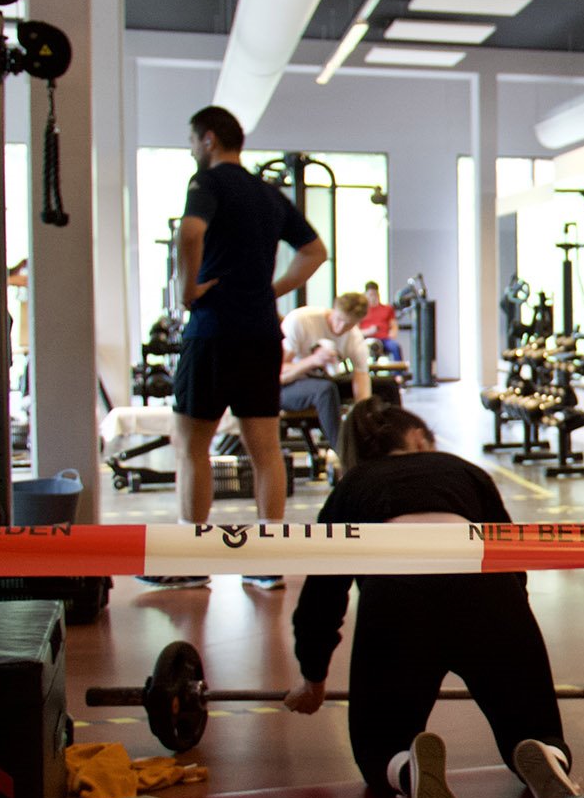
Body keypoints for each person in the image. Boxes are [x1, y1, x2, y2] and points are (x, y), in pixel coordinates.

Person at [282, 399, 576, 798]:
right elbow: (511, 557)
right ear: (418, 438)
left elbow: (323, 592)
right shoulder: (463, 471)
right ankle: (547, 755)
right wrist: (513, 631)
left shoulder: (353, 485)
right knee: (534, 728)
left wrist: (313, 676)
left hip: (397, 596)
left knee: (378, 750)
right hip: (486, 590)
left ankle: (406, 769)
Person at [141, 105, 326, 593]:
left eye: (191, 141)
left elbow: (190, 232)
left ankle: (192, 561)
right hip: (261, 335)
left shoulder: (207, 183)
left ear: (208, 139)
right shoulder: (269, 194)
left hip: (214, 331)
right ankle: (267, 563)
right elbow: (315, 252)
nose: (191, 150)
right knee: (266, 451)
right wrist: (270, 291)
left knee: (191, 447)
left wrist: (187, 290)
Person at [280, 292, 375, 445]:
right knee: (326, 389)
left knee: (385, 386)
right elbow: (277, 374)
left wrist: (363, 415)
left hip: (320, 383)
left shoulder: (354, 337)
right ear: (333, 310)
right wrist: (313, 361)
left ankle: (388, 448)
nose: (340, 328)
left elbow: (362, 377)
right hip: (285, 388)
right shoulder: (301, 321)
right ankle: (343, 451)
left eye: (348, 325)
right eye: (339, 319)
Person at [358, 280, 403, 361]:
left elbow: (394, 325)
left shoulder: (387, 309)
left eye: (375, 294)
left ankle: (398, 369)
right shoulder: (360, 310)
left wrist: (393, 333)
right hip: (366, 340)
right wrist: (368, 331)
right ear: (365, 295)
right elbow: (356, 331)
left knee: (395, 347)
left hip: (384, 340)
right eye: (370, 295)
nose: (373, 297)